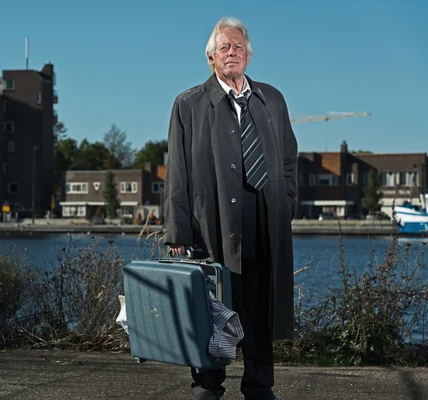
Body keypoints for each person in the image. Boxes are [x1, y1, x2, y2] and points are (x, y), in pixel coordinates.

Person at [162, 16, 298, 400]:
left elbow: (289, 158)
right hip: (213, 223)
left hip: (264, 222)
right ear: (211, 58)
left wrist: (287, 202)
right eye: (225, 47)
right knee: (213, 307)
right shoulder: (188, 104)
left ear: (249, 56)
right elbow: (177, 173)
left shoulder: (272, 99)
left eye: (238, 47)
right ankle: (207, 387)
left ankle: (260, 386)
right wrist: (177, 232)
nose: (232, 52)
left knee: (260, 307)